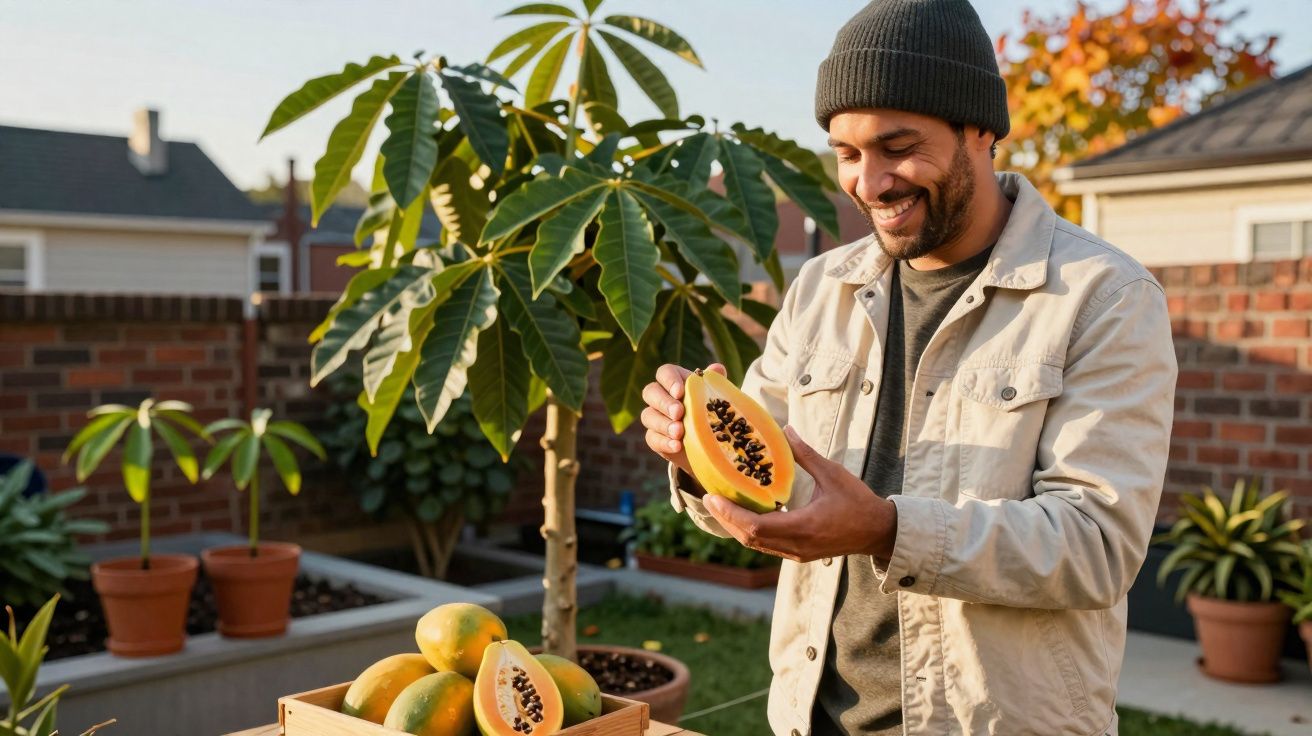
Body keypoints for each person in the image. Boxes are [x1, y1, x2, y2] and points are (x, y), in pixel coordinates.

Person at [639, 0, 1177, 734]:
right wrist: (693, 454)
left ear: (980, 129)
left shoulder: (1103, 296)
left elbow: (1096, 548)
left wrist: (887, 530)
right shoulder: (821, 288)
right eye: (846, 153)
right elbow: (770, 478)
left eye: (897, 147)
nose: (869, 183)